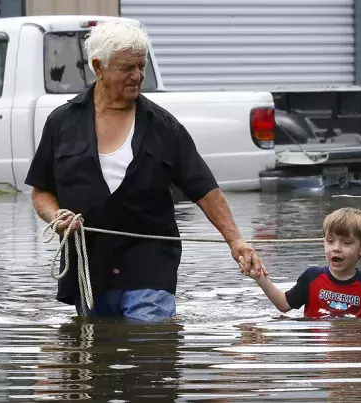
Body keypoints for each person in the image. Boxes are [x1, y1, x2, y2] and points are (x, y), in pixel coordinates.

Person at [24, 19, 264, 322]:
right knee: (98, 355)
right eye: (127, 68)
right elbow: (41, 191)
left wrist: (236, 241)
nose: (137, 76)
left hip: (150, 263)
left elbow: (204, 190)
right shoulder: (61, 123)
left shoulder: (164, 127)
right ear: (99, 67)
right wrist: (57, 217)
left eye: (141, 66)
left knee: (150, 347)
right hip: (90, 266)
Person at [241, 207, 361, 318]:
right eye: (331, 241)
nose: (336, 248)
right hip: (317, 356)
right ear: (324, 243)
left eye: (346, 243)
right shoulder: (312, 277)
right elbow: (284, 305)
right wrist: (260, 278)